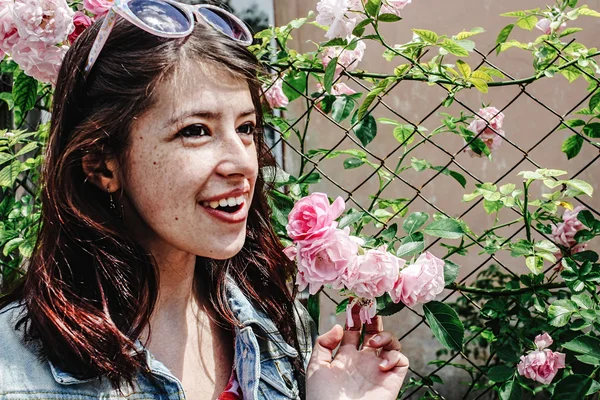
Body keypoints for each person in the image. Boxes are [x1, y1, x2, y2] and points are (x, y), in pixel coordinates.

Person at [0, 2, 409, 399]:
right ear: (103, 167)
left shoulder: (275, 328)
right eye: (196, 131)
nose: (242, 163)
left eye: (246, 128)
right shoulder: (14, 366)